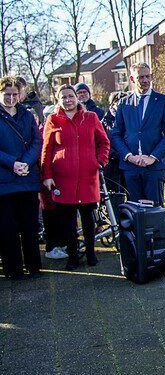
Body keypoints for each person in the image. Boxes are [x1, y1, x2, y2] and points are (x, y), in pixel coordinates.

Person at [41, 84, 110, 270]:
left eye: (70, 96)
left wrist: (100, 161)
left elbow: (104, 141)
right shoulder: (53, 120)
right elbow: (46, 150)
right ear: (58, 99)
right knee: (68, 220)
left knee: (88, 218)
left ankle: (90, 253)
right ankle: (72, 255)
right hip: (63, 178)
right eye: (63, 97)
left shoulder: (91, 117)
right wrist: (46, 175)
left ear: (77, 97)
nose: (68, 100)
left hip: (88, 176)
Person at [110, 63, 165, 205]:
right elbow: (116, 134)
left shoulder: (163, 101)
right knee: (134, 210)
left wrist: (153, 157)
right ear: (132, 79)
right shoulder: (123, 103)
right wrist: (129, 156)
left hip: (154, 167)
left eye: (148, 76)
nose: (145, 80)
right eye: (141, 77)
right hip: (130, 167)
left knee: (155, 210)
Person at [0, 75, 42, 279]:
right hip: (5, 180)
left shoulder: (26, 115)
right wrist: (13, 163)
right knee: (8, 227)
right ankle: (13, 268)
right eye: (7, 94)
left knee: (30, 226)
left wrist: (26, 162)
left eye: (14, 94)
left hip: (27, 177)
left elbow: (36, 141)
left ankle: (34, 265)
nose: (11, 98)